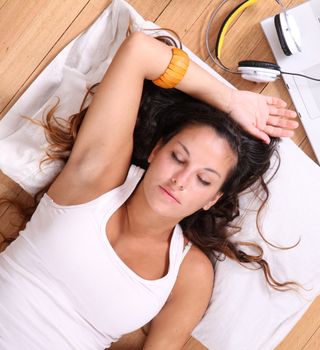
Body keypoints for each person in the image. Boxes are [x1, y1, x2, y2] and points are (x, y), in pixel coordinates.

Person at [0, 31, 300, 349]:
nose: (180, 180)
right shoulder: (98, 176)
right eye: (178, 157)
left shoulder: (190, 274)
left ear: (213, 199)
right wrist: (230, 100)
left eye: (204, 180)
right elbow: (139, 51)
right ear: (156, 152)